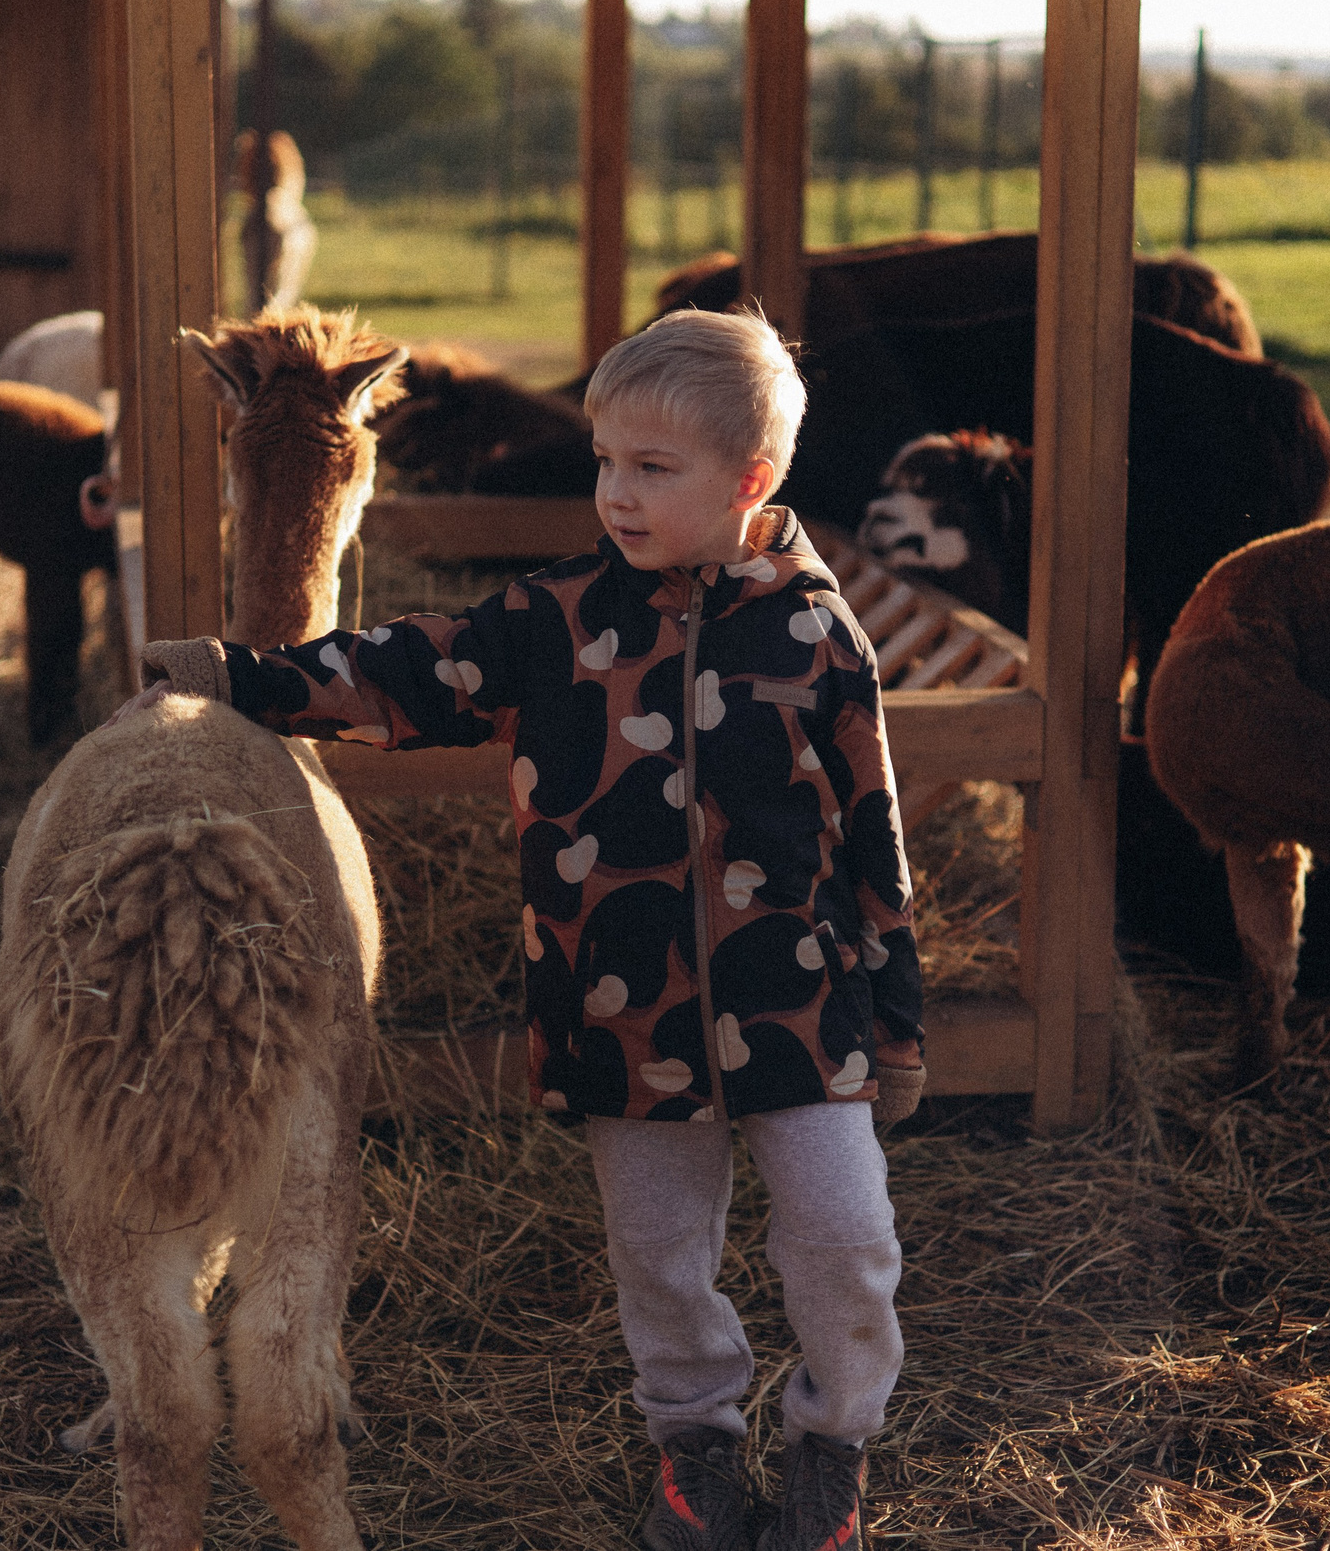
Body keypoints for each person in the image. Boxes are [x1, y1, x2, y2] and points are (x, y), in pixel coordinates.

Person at [121, 308, 925, 1550]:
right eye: (605, 461)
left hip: (804, 1015)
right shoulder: (553, 622)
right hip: (625, 1018)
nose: (616, 493)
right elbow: (401, 670)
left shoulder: (820, 638)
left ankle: (832, 1449)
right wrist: (240, 675)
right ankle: (696, 1453)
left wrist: (900, 1022)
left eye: (654, 471)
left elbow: (872, 835)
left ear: (750, 481)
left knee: (845, 1238)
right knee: (657, 1258)